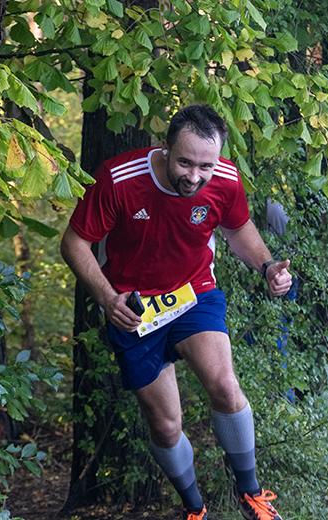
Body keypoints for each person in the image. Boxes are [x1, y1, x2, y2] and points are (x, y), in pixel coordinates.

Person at [60, 105, 292, 520]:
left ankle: (251, 494)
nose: (195, 176)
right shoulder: (118, 179)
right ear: (165, 148)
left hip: (193, 293)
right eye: (185, 162)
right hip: (133, 310)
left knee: (223, 384)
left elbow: (238, 229)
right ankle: (194, 509)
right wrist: (107, 296)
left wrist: (267, 265)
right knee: (166, 426)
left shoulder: (225, 179)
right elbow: (75, 243)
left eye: (206, 165)